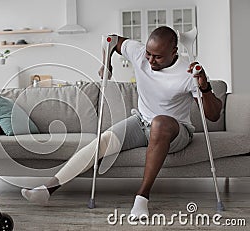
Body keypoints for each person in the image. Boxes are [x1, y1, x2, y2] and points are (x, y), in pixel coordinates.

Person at [20, 26, 222, 219]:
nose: (150, 61)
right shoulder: (139, 52)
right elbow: (111, 40)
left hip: (175, 131)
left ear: (174, 51)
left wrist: (205, 88)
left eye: (158, 57)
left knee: (160, 123)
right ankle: (47, 189)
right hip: (141, 122)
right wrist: (106, 62)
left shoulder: (187, 73)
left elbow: (213, 115)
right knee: (102, 140)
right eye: (148, 54)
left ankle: (142, 198)